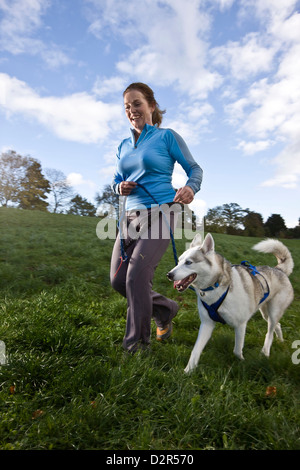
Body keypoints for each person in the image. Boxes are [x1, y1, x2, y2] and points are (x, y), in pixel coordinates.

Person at [110, 82, 203, 353]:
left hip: (163, 210)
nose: (132, 110)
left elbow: (194, 168)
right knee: (118, 280)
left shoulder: (166, 137)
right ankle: (165, 309)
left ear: (151, 105)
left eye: (137, 104)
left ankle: (136, 346)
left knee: (137, 276)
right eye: (127, 107)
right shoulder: (123, 145)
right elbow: (117, 178)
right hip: (129, 215)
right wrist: (119, 187)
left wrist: (191, 187)